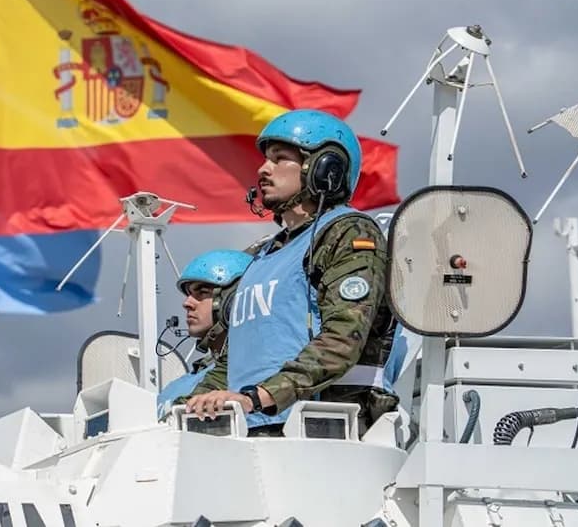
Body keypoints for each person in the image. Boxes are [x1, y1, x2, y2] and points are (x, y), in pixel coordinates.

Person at [183, 110, 398, 437]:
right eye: (265, 160)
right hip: (250, 429)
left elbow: (342, 339)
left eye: (280, 158)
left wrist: (259, 397)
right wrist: (191, 405)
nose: (262, 169)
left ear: (325, 169)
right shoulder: (260, 257)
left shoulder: (346, 233)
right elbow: (232, 362)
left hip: (321, 434)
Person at [156, 249, 253, 419]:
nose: (187, 303)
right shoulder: (174, 388)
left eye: (202, 292)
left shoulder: (256, 374)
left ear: (233, 300)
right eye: (189, 294)